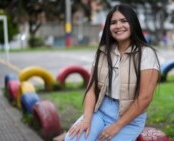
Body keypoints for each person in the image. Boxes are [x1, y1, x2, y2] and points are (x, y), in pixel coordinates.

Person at [64, 4, 160, 141]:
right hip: (101, 110)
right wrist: (86, 120)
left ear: (133, 23)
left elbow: (144, 98)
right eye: (113, 22)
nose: (118, 26)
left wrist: (118, 125)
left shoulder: (146, 53)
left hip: (130, 118)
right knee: (73, 139)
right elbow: (91, 89)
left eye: (124, 21)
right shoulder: (103, 52)